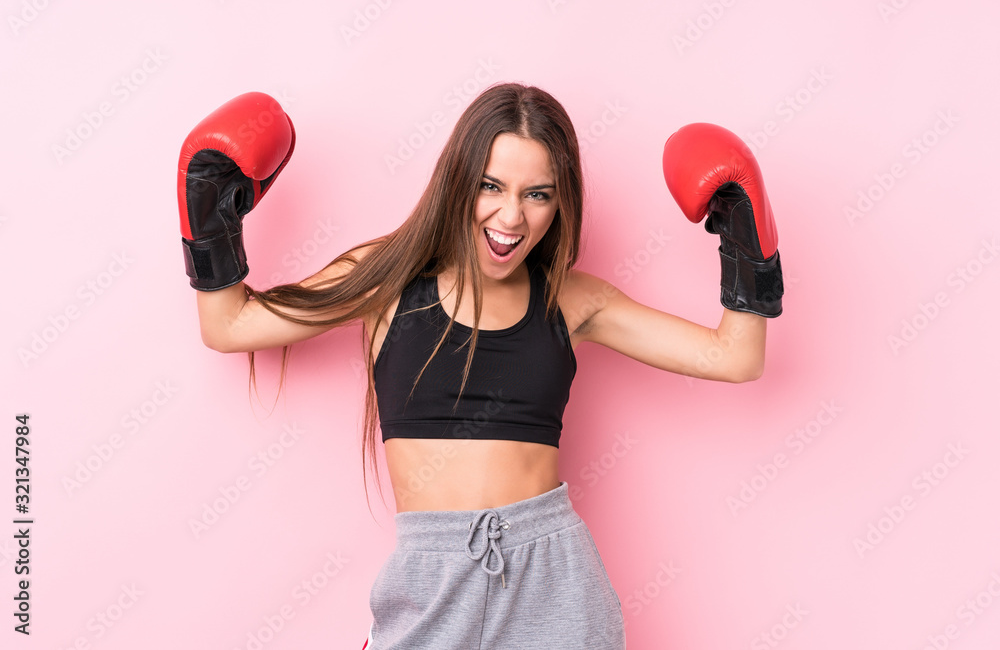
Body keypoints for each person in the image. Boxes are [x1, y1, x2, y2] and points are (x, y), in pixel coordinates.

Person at [175, 83, 783, 649]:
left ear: (559, 201)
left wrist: (743, 236)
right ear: (458, 182)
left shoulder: (571, 299)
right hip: (431, 575)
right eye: (491, 186)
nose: (511, 217)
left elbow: (735, 356)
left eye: (536, 193)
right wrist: (211, 205)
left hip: (556, 576)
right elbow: (229, 326)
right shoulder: (384, 278)